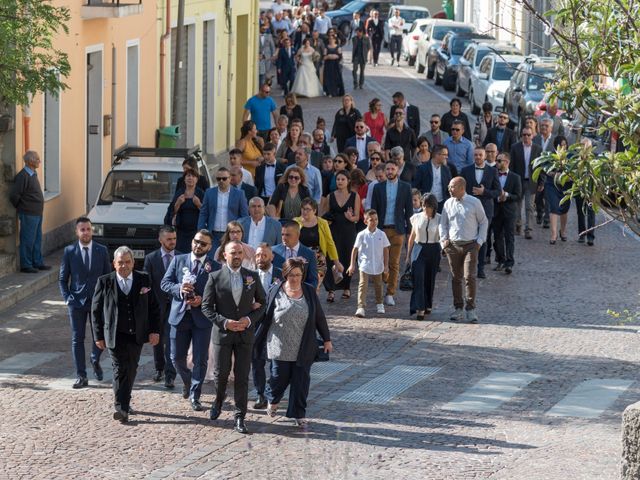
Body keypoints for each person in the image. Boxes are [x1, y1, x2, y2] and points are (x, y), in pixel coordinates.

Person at [254, 257, 332, 427]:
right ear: (285, 275)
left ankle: (299, 413)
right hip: (278, 344)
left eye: (298, 274)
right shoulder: (275, 291)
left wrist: (326, 339)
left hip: (303, 345)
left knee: (301, 381)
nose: (295, 278)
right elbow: (263, 314)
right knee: (278, 379)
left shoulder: (309, 291)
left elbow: (319, 316)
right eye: (291, 275)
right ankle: (272, 399)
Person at [201, 241, 266, 434]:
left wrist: (248, 319)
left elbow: (262, 303)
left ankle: (239, 416)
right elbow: (206, 307)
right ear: (224, 255)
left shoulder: (252, 277)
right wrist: (224, 322)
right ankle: (219, 400)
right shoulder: (214, 277)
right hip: (223, 334)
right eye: (233, 253)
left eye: (239, 253)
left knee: (242, 376)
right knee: (221, 375)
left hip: (245, 334)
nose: (237, 256)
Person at [91, 246, 160, 423]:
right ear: (114, 264)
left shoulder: (143, 279)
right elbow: (96, 311)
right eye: (120, 263)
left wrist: (155, 330)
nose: (124, 266)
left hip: (136, 333)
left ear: (133, 263)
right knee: (119, 368)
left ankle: (122, 402)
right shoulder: (104, 281)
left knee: (131, 368)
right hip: (115, 334)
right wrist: (98, 336)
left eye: (127, 262)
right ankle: (121, 407)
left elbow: (154, 307)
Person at [161, 230, 218, 411]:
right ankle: (187, 381)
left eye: (203, 244)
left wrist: (203, 300)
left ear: (209, 247)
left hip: (201, 319)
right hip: (179, 316)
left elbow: (220, 294)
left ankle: (195, 393)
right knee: (175, 357)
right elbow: (165, 283)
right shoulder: (178, 260)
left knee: (200, 359)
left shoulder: (215, 267)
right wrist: (179, 288)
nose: (198, 246)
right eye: (196, 241)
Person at [59, 217, 111, 389]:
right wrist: (67, 298)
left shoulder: (101, 250)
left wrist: (107, 298)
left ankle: (95, 358)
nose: (86, 232)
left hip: (98, 301)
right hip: (77, 302)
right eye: (82, 230)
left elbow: (107, 277)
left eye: (88, 229)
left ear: (92, 230)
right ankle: (81, 376)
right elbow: (62, 279)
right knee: (77, 339)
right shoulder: (69, 251)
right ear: (77, 232)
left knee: (102, 335)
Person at [439, 177, 488, 323]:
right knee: (456, 277)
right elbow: (443, 224)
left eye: (452, 186)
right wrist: (444, 242)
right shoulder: (448, 203)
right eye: (449, 186)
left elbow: (484, 221)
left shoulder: (474, 202)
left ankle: (471, 308)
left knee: (469, 276)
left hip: (470, 245)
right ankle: (458, 308)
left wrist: (479, 242)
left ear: (461, 187)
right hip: (453, 246)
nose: (449, 189)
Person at [371, 160, 413, 306]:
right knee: (381, 262)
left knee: (394, 263)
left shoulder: (405, 187)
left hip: (397, 229)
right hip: (381, 229)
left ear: (397, 170)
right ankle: (380, 288)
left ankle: (390, 293)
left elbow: (409, 211)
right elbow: (373, 209)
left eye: (392, 169)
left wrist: (410, 231)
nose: (389, 172)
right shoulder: (378, 188)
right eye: (387, 169)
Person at [143, 226, 180, 388]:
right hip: (157, 307)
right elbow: (147, 283)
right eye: (169, 239)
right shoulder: (151, 258)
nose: (172, 242)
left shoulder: (182, 257)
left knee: (172, 341)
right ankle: (159, 368)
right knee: (157, 340)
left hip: (176, 307)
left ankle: (170, 375)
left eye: (174, 239)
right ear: (161, 240)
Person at [460, 147, 501, 278]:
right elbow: (460, 189)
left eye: (480, 155)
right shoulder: (466, 170)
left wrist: (484, 192)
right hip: (468, 210)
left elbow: (498, 191)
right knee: (468, 238)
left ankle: (481, 267)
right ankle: (467, 265)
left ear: (485, 156)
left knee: (482, 238)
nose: (478, 157)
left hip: (485, 210)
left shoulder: (492, 171)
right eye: (476, 155)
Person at [251, 244, 283, 409]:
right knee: (256, 360)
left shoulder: (280, 274)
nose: (260, 259)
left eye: (264, 255)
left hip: (275, 323)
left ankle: (274, 392)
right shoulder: (249, 275)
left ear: (271, 257)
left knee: (275, 361)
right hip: (255, 323)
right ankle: (260, 394)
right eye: (257, 256)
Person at [10, 150, 50, 273]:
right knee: (27, 240)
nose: (39, 161)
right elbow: (14, 195)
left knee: (37, 239)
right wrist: (23, 207)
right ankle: (26, 265)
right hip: (28, 213)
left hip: (37, 213)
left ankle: (37, 262)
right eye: (37, 159)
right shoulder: (23, 176)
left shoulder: (33, 174)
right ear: (30, 161)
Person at [295, 197, 342, 295]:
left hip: (319, 260)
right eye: (303, 209)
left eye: (308, 209)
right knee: (301, 287)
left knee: (314, 287)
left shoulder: (322, 223)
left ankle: (313, 308)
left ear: (315, 210)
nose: (305, 211)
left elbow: (330, 243)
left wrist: (337, 262)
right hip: (300, 259)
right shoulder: (295, 222)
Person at [347, 209, 389, 317]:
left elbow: (385, 250)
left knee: (378, 285)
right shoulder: (361, 235)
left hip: (378, 264)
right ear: (366, 221)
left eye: (376, 219)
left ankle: (380, 303)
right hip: (365, 264)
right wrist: (352, 265)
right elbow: (355, 249)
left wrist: (386, 265)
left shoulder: (382, 234)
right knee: (362, 285)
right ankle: (361, 307)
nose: (374, 222)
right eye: (371, 220)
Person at [325, 170, 359, 299]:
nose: (340, 181)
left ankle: (346, 287)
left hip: (348, 230)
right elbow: (325, 215)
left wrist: (351, 218)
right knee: (332, 258)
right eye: (338, 179)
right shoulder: (330, 196)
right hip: (333, 230)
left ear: (348, 181)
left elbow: (357, 217)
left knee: (347, 257)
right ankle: (331, 290)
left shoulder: (354, 196)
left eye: (342, 179)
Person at [406, 194, 441, 320]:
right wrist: (408, 255)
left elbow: (442, 236)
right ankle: (420, 308)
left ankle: (428, 304)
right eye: (424, 205)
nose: (426, 208)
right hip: (418, 249)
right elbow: (412, 237)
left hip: (434, 249)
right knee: (419, 278)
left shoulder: (439, 218)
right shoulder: (416, 217)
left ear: (434, 206)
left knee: (429, 279)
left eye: (429, 206)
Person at [198, 167, 249, 251]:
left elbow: (244, 216)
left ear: (229, 179)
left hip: (231, 234)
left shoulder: (239, 194)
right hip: (213, 234)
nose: (221, 181)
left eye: (224, 178)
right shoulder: (209, 192)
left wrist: (239, 233)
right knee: (212, 259)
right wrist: (201, 230)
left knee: (229, 258)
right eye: (218, 179)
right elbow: (203, 213)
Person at [510, 127, 543, 239]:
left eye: (528, 135)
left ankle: (528, 229)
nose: (526, 137)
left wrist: (541, 182)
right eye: (524, 135)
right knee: (517, 205)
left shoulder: (537, 149)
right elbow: (512, 166)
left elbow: (540, 167)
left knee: (529, 206)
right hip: (518, 181)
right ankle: (517, 225)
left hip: (531, 182)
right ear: (521, 136)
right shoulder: (515, 147)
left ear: (532, 135)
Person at [492, 152, 522, 273]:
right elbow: (490, 191)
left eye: (499, 161)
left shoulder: (515, 177)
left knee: (509, 237)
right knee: (497, 237)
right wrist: (497, 197)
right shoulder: (493, 174)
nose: (497, 163)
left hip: (510, 212)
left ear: (507, 162)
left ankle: (509, 262)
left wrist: (507, 195)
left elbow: (518, 195)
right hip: (496, 210)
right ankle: (500, 260)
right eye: (497, 161)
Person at [167, 168, 205, 253]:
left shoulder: (201, 193)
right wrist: (178, 203)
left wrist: (198, 204)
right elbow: (173, 211)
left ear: (197, 179)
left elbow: (206, 212)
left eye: (193, 176)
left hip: (196, 230)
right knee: (180, 253)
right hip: (181, 231)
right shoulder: (180, 192)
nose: (190, 178)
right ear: (184, 179)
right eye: (188, 176)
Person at [272, 221, 319, 288]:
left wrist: (302, 293)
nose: (284, 238)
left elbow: (313, 281)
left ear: (298, 235)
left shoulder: (309, 254)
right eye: (282, 234)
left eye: (288, 235)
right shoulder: (274, 251)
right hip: (279, 294)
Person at [545, 136, 571, 244]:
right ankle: (554, 234)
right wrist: (556, 174)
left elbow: (575, 172)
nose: (563, 147)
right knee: (554, 207)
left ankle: (563, 231)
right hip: (552, 185)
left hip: (566, 186)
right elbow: (546, 170)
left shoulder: (570, 156)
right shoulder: (550, 156)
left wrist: (567, 176)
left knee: (564, 209)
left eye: (565, 145)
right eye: (561, 145)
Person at [413, 144, 452, 213]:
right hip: (426, 204)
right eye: (444, 155)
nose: (447, 157)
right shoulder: (422, 168)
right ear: (436, 155)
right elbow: (415, 186)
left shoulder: (446, 170)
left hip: (442, 204)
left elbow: (449, 186)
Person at [575, 138, 596, 246]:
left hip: (591, 190)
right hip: (579, 190)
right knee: (581, 213)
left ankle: (590, 237)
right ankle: (582, 234)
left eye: (586, 146)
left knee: (591, 213)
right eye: (582, 146)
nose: (583, 148)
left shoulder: (594, 160)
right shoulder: (576, 160)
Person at [322, 30, 345, 98]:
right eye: (330, 39)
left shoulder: (338, 47)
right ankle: (329, 91)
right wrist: (328, 57)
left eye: (332, 39)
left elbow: (340, 56)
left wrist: (335, 56)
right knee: (328, 78)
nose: (331, 40)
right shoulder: (326, 47)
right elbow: (324, 57)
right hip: (328, 66)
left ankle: (336, 91)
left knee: (336, 78)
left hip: (336, 66)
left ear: (335, 40)